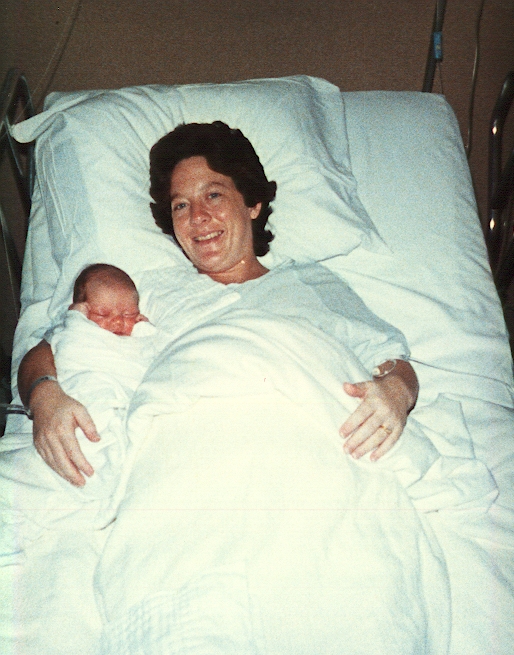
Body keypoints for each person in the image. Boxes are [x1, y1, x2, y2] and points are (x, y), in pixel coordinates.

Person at [17, 121, 418, 490]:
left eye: (213, 195)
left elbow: (390, 360)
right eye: (181, 205)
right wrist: (44, 396)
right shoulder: (148, 291)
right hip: (188, 455)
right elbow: (58, 346)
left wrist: (397, 392)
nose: (198, 217)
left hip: (298, 447)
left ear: (252, 204)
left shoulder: (309, 283)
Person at [0, 264, 165, 560]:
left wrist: (143, 329)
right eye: (103, 314)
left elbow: (152, 355)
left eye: (129, 314)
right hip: (79, 405)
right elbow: (49, 348)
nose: (118, 322)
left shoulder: (139, 336)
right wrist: (45, 393)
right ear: (80, 310)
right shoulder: (77, 330)